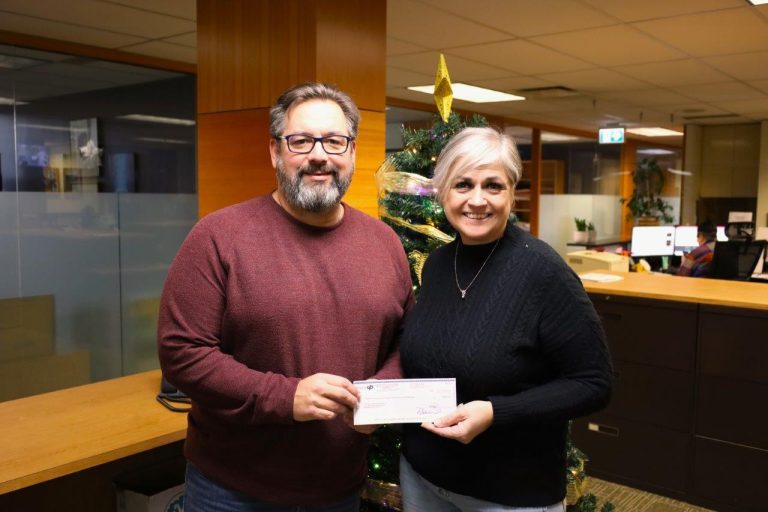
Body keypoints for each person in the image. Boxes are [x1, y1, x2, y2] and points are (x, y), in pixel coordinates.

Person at [157, 82, 414, 512]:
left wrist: (381, 395)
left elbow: (409, 341)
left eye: (334, 141)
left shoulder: (384, 243)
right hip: (231, 491)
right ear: (276, 152)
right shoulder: (219, 237)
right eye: (301, 141)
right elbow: (182, 352)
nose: (319, 155)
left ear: (351, 153)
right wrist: (283, 397)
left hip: (339, 488)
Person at [398, 127, 613, 511]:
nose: (477, 200)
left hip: (509, 494)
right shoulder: (436, 265)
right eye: (463, 184)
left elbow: (593, 383)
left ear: (513, 193)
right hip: (423, 479)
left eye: (493, 186)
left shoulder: (543, 271)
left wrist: (496, 412)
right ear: (443, 191)